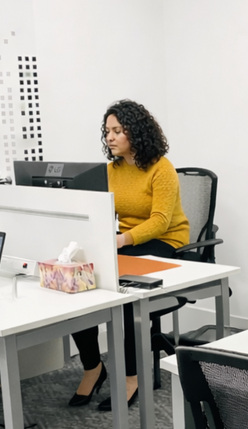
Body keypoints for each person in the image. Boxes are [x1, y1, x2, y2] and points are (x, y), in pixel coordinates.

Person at [69, 99, 190, 411]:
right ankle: (93, 367)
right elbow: (94, 213)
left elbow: (161, 220)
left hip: (165, 242)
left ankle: (132, 378)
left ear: (135, 133)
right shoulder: (110, 171)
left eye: (117, 131)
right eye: (107, 131)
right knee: (80, 287)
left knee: (125, 300)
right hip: (127, 243)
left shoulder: (161, 168)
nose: (110, 137)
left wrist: (122, 239)